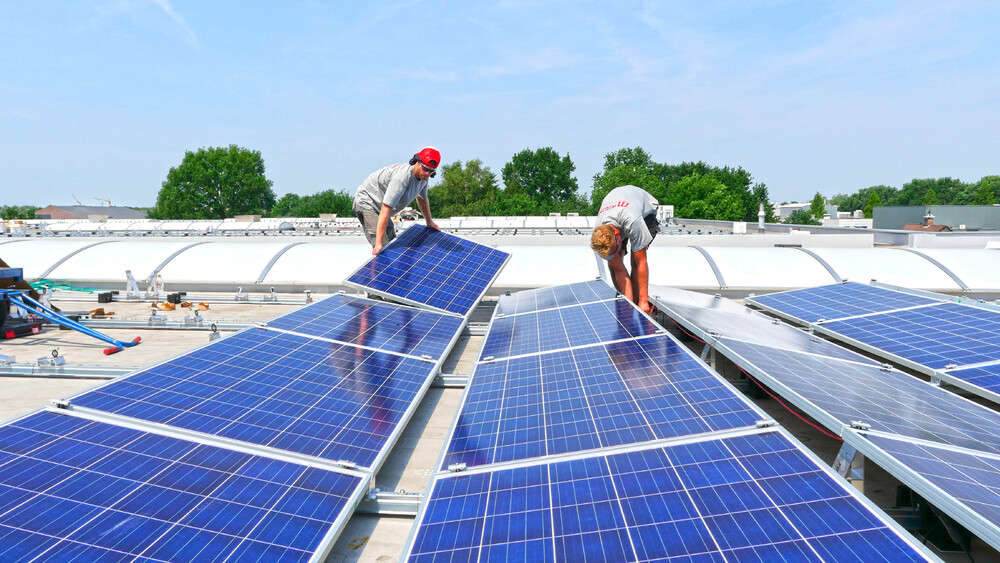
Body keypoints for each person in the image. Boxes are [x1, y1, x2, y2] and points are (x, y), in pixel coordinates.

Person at [353, 147, 441, 254]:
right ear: (417, 162)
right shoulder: (401, 178)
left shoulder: (423, 179)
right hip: (368, 202)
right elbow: (385, 209)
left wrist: (429, 221)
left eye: (431, 171)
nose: (427, 173)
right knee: (384, 249)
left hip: (381, 207)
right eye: (425, 169)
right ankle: (378, 267)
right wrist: (378, 244)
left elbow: (423, 199)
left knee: (392, 244)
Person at [590, 185, 659, 313]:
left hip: (644, 211)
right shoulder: (600, 233)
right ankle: (625, 299)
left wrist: (643, 301)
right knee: (614, 264)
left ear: (618, 237)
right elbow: (619, 269)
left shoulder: (633, 222)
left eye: (614, 250)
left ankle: (638, 299)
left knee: (635, 258)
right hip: (618, 206)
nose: (613, 254)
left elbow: (641, 263)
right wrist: (627, 306)